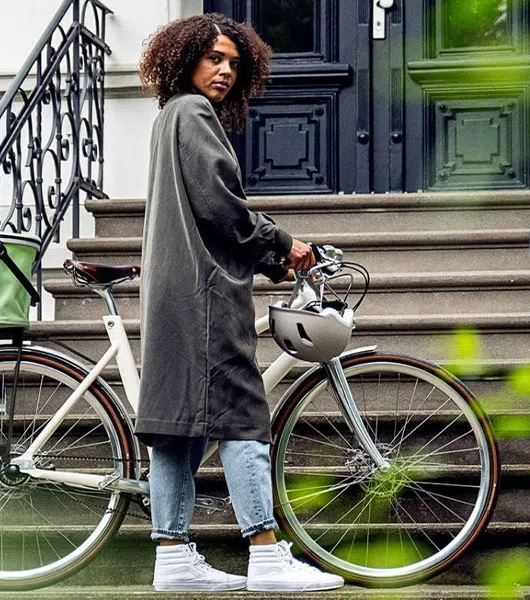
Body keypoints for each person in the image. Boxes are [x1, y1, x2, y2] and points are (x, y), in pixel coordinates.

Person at [135, 13, 345, 593]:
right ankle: (266, 553)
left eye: (233, 62)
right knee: (244, 417)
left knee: (179, 427)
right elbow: (222, 207)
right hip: (204, 297)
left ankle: (173, 556)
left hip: (174, 293)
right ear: (185, 61)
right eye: (214, 59)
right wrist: (284, 244)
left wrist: (271, 260)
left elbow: (209, 215)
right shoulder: (195, 113)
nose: (225, 70)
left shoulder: (169, 115)